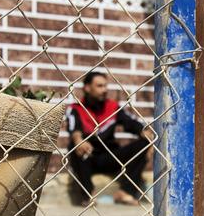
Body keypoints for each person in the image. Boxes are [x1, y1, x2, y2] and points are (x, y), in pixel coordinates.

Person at [65, 71, 153, 206]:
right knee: (74, 145)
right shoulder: (75, 109)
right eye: (100, 86)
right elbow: (74, 130)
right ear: (87, 88)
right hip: (87, 158)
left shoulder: (112, 107)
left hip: (110, 157)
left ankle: (126, 192)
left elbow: (131, 123)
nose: (105, 90)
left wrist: (145, 133)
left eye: (106, 86)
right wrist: (78, 140)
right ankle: (88, 194)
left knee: (144, 143)